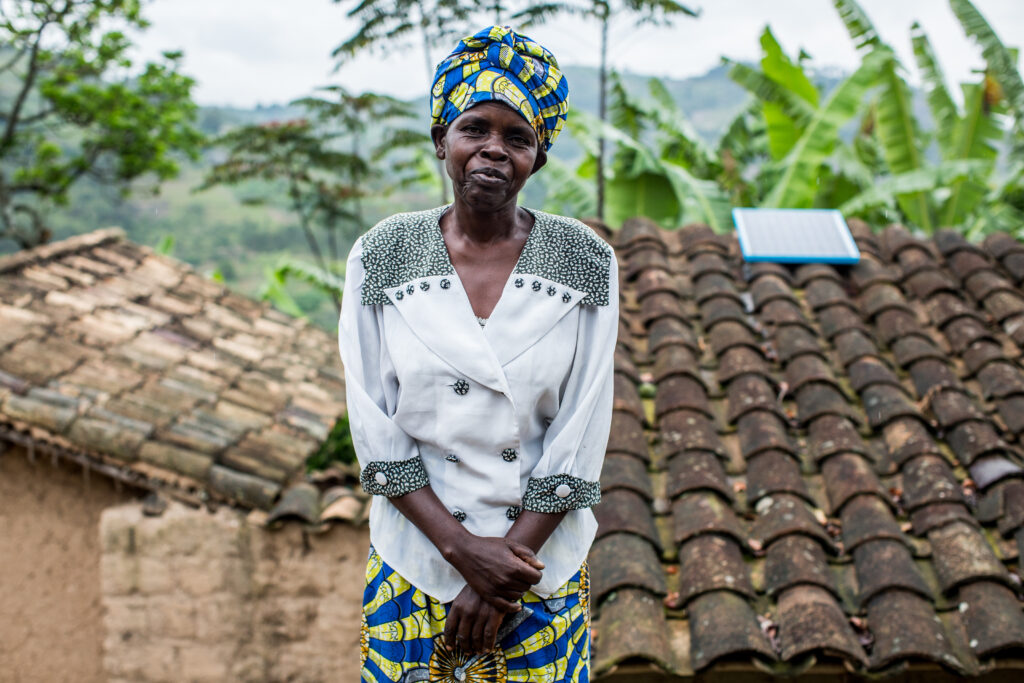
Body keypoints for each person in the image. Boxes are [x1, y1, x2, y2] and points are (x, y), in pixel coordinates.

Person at [338, 24, 618, 683]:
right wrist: (463, 550)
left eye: (517, 137)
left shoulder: (584, 261)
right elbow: (376, 429)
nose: (493, 150)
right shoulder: (382, 254)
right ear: (442, 140)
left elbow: (579, 433)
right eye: (474, 129)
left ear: (538, 157)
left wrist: (500, 575)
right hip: (414, 560)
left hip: (538, 572)